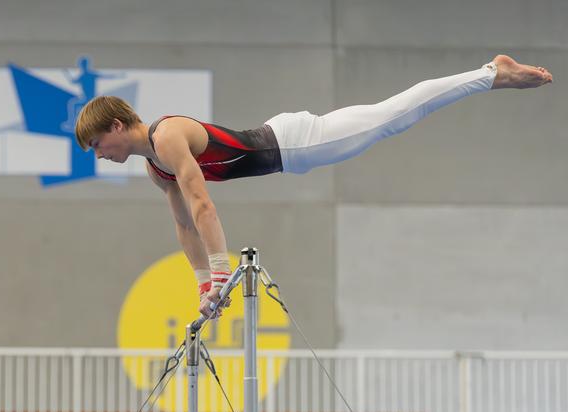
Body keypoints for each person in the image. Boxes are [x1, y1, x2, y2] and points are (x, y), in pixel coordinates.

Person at [73, 55, 553, 319]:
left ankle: (491, 73)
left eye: (97, 143)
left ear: (117, 125)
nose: (99, 154)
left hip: (297, 143)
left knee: (397, 114)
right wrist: (204, 287)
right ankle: (489, 73)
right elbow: (183, 227)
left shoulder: (167, 135)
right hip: (286, 148)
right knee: (393, 116)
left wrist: (221, 273)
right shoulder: (155, 168)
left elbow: (203, 205)